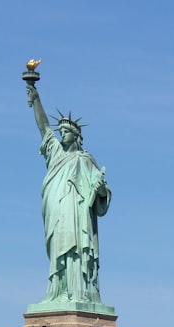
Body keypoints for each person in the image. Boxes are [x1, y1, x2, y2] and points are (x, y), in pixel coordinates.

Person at [26, 83, 111, 306]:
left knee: (77, 251)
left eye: (66, 132)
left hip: (77, 212)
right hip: (57, 210)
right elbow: (43, 128)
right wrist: (36, 99)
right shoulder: (55, 153)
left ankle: (79, 293)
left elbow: (101, 193)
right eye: (61, 132)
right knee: (58, 250)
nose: (62, 135)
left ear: (76, 136)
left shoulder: (85, 160)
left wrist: (100, 189)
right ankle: (57, 292)